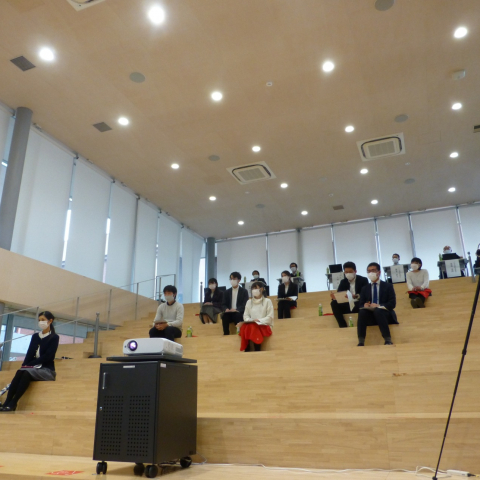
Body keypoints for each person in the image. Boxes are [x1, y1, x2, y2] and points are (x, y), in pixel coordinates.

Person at [0, 311, 59, 412]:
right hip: (33, 368)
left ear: (50, 321)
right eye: (39, 320)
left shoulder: (54, 337)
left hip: (46, 370)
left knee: (26, 372)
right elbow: (29, 353)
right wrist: (24, 366)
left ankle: (14, 402)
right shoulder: (35, 336)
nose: (40, 322)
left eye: (43, 320)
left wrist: (30, 365)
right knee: (20, 372)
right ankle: (7, 402)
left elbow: (48, 357)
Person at [357, 262, 399, 346]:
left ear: (379, 272)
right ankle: (361, 341)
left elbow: (392, 303)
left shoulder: (388, 286)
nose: (370, 273)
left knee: (378, 311)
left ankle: (387, 339)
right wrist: (365, 305)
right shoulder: (365, 288)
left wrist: (379, 306)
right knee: (362, 312)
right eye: (368, 271)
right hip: (371, 314)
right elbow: (360, 304)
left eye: (373, 270)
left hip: (385, 314)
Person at [329, 261, 369, 328]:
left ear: (355, 271)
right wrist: (335, 297)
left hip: (358, 303)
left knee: (363, 304)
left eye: (350, 272)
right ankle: (342, 325)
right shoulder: (343, 282)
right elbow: (340, 293)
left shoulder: (363, 280)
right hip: (347, 304)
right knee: (333, 303)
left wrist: (356, 296)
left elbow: (366, 294)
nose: (348, 274)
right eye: (346, 272)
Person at [240, 281, 274, 352]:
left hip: (264, 324)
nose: (254, 290)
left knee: (253, 326)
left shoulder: (267, 301)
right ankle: (247, 347)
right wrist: (250, 320)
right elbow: (245, 315)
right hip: (252, 323)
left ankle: (257, 348)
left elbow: (270, 316)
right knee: (244, 326)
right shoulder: (249, 302)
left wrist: (259, 320)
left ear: (262, 289)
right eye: (253, 289)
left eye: (256, 288)